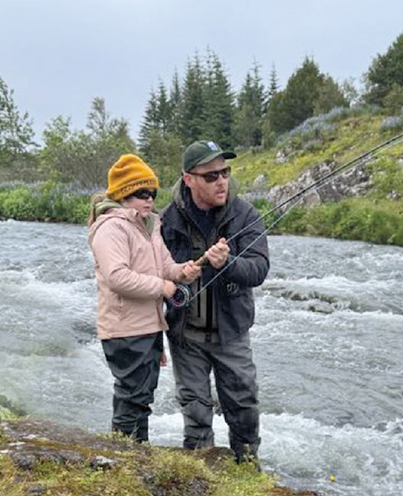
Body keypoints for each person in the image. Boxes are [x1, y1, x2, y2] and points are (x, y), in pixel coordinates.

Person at [160, 141, 269, 463]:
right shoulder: (167, 221)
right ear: (188, 179)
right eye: (211, 176)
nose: (221, 181)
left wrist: (228, 263)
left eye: (225, 172)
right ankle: (202, 475)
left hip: (230, 330)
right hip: (186, 332)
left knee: (244, 406)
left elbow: (259, 269)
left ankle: (248, 467)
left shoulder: (245, 214)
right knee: (195, 410)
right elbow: (156, 276)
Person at [88, 154, 201, 443]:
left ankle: (138, 453)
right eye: (142, 193)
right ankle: (121, 458)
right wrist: (164, 288)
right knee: (131, 396)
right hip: (124, 329)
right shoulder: (110, 227)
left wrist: (183, 272)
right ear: (124, 194)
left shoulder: (151, 225)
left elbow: (166, 267)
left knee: (143, 397)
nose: (149, 199)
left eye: (153, 193)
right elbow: (118, 278)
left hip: (149, 326)